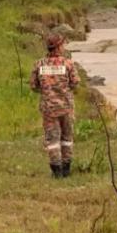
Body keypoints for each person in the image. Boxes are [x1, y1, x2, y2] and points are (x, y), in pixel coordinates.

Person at [29, 33, 80, 178]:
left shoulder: (39, 64)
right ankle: (66, 168)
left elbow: (33, 86)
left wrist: (46, 91)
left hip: (48, 109)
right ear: (58, 46)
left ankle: (56, 170)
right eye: (63, 44)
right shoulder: (68, 64)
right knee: (67, 138)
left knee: (52, 140)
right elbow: (75, 83)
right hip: (66, 107)